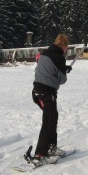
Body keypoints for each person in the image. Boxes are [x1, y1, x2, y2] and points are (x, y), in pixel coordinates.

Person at [28, 34, 72, 166]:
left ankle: (52, 147)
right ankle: (39, 155)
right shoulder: (59, 57)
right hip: (47, 93)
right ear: (64, 45)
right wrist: (64, 70)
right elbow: (62, 80)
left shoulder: (45, 53)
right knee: (49, 122)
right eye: (66, 47)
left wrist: (63, 69)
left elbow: (49, 70)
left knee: (53, 117)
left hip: (37, 92)